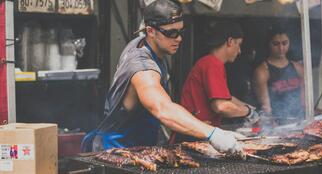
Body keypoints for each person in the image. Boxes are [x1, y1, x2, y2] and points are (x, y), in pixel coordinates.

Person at [81, 0, 246, 157]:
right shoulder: (142, 67)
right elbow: (162, 108)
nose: (179, 38)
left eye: (181, 31)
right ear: (151, 31)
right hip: (116, 152)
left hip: (140, 148)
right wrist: (213, 134)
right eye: (172, 33)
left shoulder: (145, 43)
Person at [169, 22, 260, 143]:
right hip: (192, 137)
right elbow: (221, 107)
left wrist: (249, 108)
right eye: (239, 44)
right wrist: (248, 113)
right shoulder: (212, 64)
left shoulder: (210, 63)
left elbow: (227, 98)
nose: (239, 51)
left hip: (196, 133)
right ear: (230, 41)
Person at [253, 26, 305, 125]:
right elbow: (265, 107)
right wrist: (272, 123)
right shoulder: (262, 71)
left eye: (284, 43)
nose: (281, 48)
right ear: (268, 44)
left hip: (299, 121)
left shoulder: (298, 68)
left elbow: (304, 101)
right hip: (277, 124)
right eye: (276, 44)